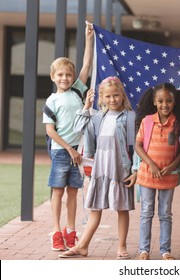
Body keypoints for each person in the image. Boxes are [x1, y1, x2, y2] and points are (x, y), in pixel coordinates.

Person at [59, 76, 136, 259]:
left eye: (116, 95)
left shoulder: (130, 117)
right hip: (100, 169)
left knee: (122, 208)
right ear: (101, 98)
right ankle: (83, 246)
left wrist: (134, 170)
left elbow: (135, 146)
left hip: (120, 169)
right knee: (95, 208)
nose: (112, 100)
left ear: (122, 95)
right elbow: (77, 128)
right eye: (108, 97)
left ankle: (121, 247)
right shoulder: (97, 118)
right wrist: (86, 106)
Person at [42, 21, 94, 251]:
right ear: (53, 76)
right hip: (62, 152)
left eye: (68, 74)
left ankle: (71, 231)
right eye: (60, 75)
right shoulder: (51, 101)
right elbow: (50, 131)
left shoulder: (76, 91)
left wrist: (89, 39)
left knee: (73, 192)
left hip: (77, 152)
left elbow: (87, 63)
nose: (65, 78)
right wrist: (70, 149)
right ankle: (56, 230)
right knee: (58, 192)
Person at [134, 83, 180, 260]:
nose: (164, 104)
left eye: (169, 101)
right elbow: (138, 145)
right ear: (154, 101)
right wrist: (150, 163)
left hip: (168, 176)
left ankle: (165, 250)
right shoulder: (147, 121)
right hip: (147, 175)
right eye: (160, 101)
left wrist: (173, 166)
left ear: (174, 102)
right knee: (146, 212)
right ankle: (144, 250)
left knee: (165, 214)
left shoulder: (178, 123)